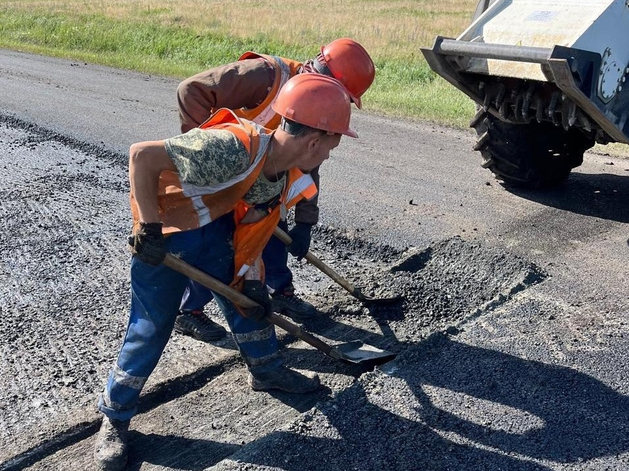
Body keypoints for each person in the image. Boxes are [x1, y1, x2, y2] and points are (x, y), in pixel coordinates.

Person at [93, 73, 358, 471]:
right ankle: (114, 415)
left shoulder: (281, 176)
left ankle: (267, 370)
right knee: (151, 328)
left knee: (248, 307)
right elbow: (141, 157)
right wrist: (147, 229)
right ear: (314, 142)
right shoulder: (234, 147)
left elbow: (251, 233)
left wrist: (253, 283)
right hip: (167, 238)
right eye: (330, 149)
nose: (327, 158)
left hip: (214, 234)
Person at [173, 38, 376, 342]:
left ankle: (281, 291)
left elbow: (310, 162)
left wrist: (306, 221)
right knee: (218, 243)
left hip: (263, 179)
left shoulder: (316, 101)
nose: (338, 102)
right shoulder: (264, 76)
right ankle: (191, 313)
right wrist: (211, 157)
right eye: (341, 95)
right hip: (229, 174)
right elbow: (190, 91)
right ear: (322, 75)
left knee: (272, 224)